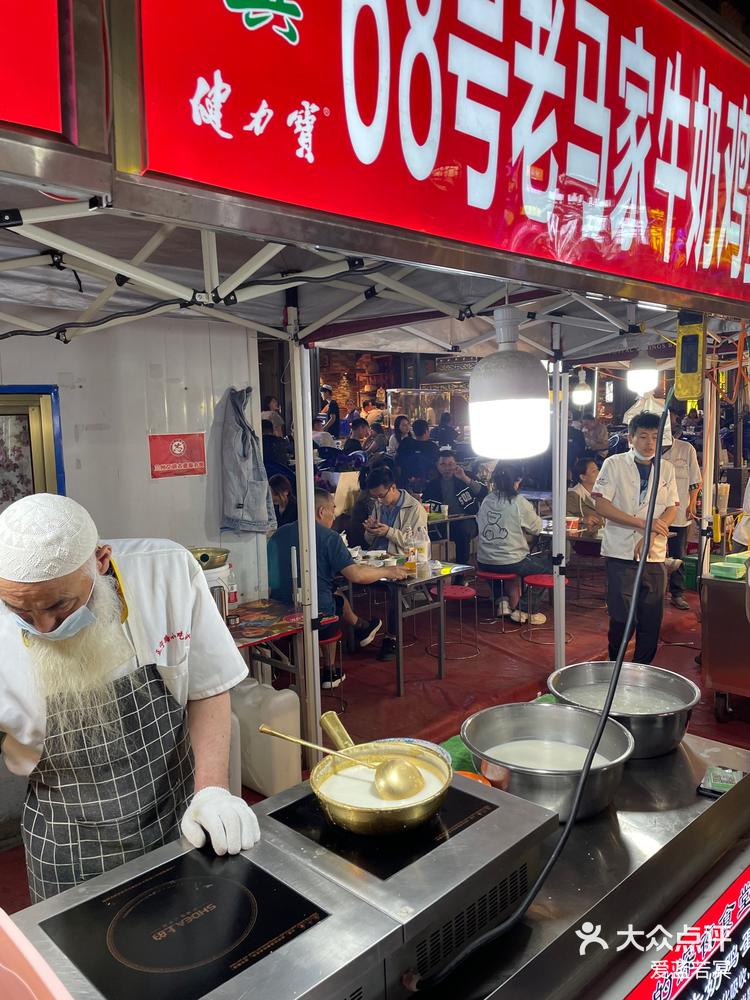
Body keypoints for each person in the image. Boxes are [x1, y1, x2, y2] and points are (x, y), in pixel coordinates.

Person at [0, 493, 260, 903]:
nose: (45, 626)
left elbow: (208, 687)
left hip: (177, 816)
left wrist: (211, 791)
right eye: (22, 612)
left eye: (59, 605)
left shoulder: (165, 570)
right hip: (66, 843)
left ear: (100, 561)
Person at [267, 488, 406, 687]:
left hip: (277, 612)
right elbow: (356, 575)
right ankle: (330, 670)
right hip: (313, 616)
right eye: (333, 509)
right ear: (321, 511)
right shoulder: (329, 537)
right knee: (330, 602)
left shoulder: (278, 534)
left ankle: (363, 628)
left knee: (335, 594)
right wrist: (388, 572)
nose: (334, 514)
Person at [592, 411, 680, 663]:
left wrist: (653, 530)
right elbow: (602, 505)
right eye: (643, 436)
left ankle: (642, 670)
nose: (649, 442)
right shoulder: (615, 463)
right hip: (621, 552)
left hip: (654, 556)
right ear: (631, 438)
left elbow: (672, 507)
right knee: (622, 618)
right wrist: (642, 523)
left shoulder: (667, 469)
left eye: (654, 436)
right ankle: (615, 669)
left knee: (651, 619)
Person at [476, 464, 550, 623]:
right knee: (548, 568)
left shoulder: (487, 499)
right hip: (512, 561)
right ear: (516, 482)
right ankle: (525, 610)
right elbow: (537, 528)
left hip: (483, 561)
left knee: (495, 565)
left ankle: (502, 601)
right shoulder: (519, 502)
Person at [662, 408, 702, 610]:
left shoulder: (686, 449)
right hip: (652, 516)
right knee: (652, 555)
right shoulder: (647, 451)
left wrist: (692, 502)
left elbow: (695, 481)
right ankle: (651, 592)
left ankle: (676, 593)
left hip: (679, 513)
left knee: (678, 556)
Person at [422, 451, 487, 566]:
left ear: (456, 464)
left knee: (462, 532)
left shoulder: (465, 476)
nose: (447, 468)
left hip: (467, 519)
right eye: (443, 464)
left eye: (451, 464)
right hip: (442, 522)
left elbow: (483, 492)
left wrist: (464, 478)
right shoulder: (432, 484)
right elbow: (425, 504)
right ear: (437, 466)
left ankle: (461, 571)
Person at [364, 465, 428, 554]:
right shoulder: (379, 504)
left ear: (393, 488)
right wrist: (370, 531)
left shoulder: (414, 508)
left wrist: (388, 532)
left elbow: (417, 544)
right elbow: (369, 541)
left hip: (401, 560)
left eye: (381, 496)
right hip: (376, 556)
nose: (378, 500)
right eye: (375, 497)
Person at [396, 418, 440, 489]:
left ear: (413, 431)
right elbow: (437, 466)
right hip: (426, 485)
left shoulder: (405, 443)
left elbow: (397, 464)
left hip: (405, 484)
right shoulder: (432, 447)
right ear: (426, 431)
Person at [567, 458, 605, 537]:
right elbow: (564, 516)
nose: (599, 473)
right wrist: (582, 520)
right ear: (583, 477)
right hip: (585, 540)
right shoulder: (573, 495)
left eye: (598, 469)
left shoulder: (603, 491)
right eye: (594, 471)